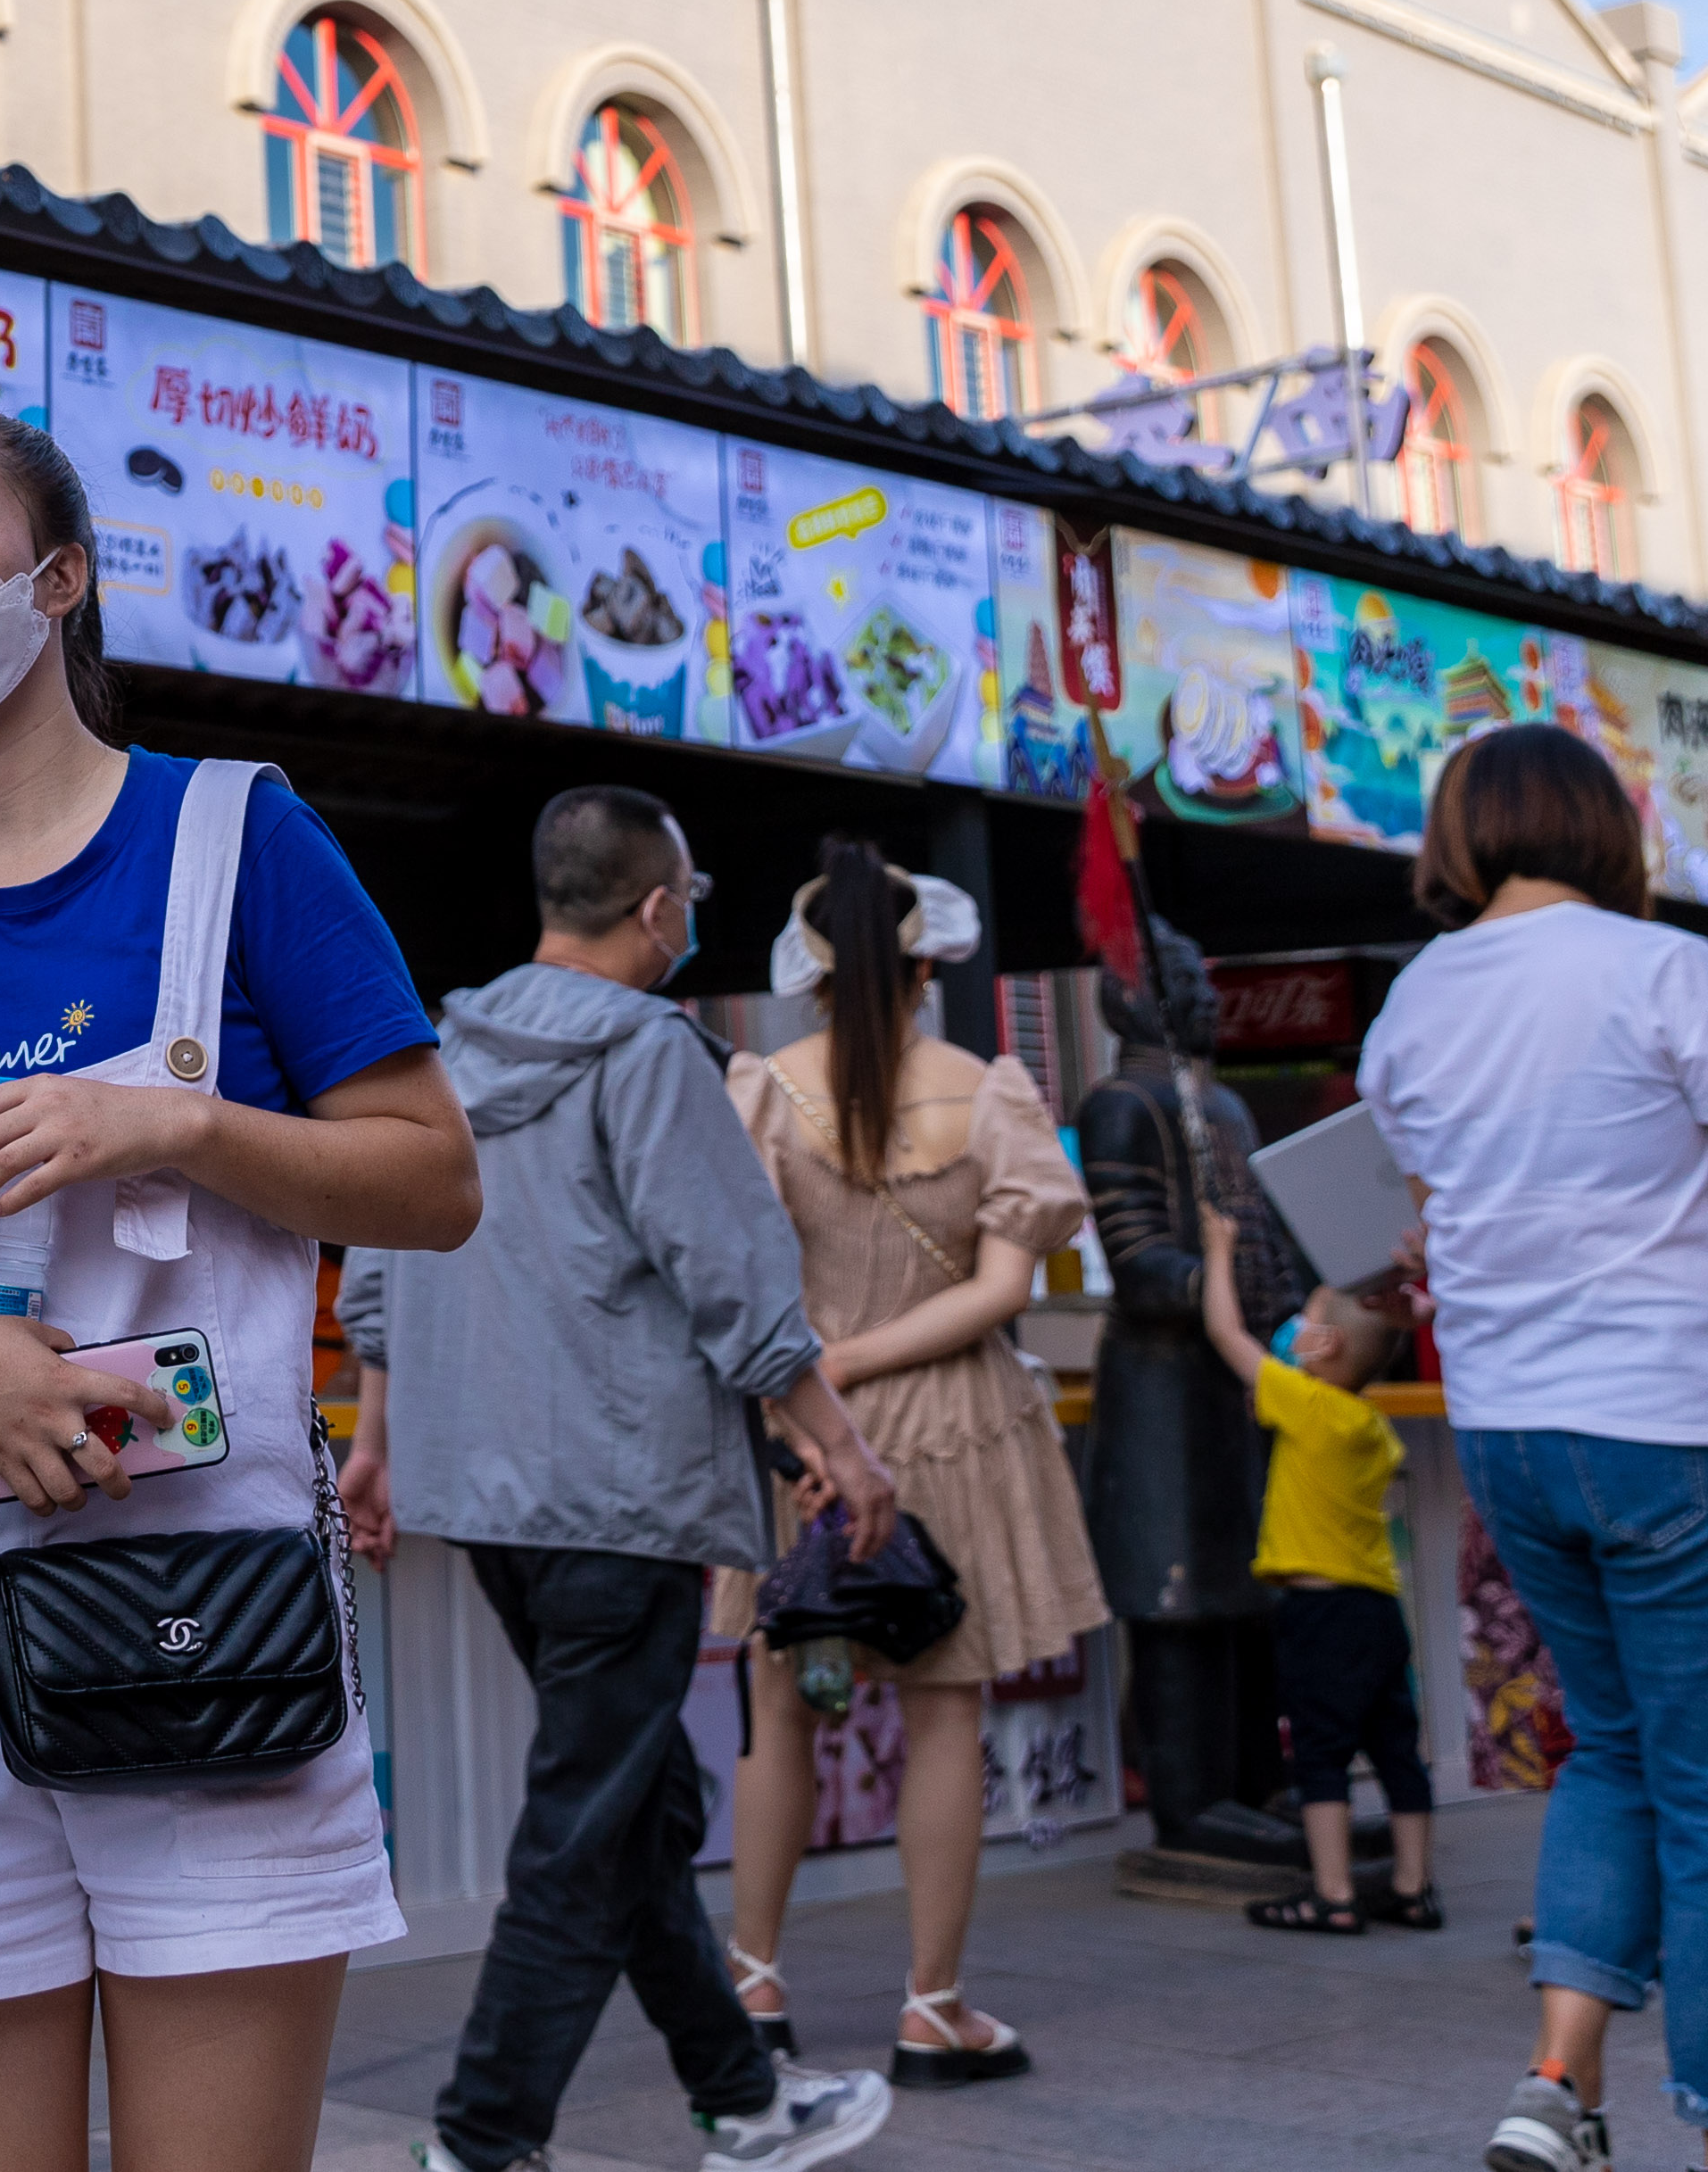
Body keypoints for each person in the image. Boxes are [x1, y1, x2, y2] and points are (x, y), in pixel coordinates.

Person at [0, 404, 485, 2172]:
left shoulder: (235, 836)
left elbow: (431, 1179)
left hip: (212, 1626)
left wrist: (173, 1123)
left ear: (59, 576)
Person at [337, 785, 900, 2172]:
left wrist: (374, 1442)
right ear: (654, 908)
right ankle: (479, 2139)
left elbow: (376, 1273)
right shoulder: (651, 1053)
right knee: (584, 1830)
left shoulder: (437, 1053)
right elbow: (734, 1281)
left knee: (634, 1807)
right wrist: (837, 1444)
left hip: (482, 1495)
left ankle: (742, 2099)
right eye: (686, 903)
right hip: (624, 1497)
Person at [1368, 729, 1708, 2172]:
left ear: (1457, 833)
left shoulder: (1413, 996)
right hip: (1672, 1424)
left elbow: (1424, 1212)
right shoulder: (1660, 968)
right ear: (1599, 824)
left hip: (1508, 1431)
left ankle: (1553, 2081)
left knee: (1611, 1747)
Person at [722, 841, 1106, 2091]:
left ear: (810, 971)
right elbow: (1001, 1289)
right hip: (957, 1427)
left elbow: (738, 1286)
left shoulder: (759, 1091)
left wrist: (820, 1386)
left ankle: (752, 1985)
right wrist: (866, 1361)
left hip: (796, 1429)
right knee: (945, 1710)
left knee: (780, 1708)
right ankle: (930, 2009)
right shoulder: (988, 1093)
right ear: (926, 964)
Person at [1069, 916, 1310, 1875]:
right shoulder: (1121, 1103)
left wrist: (1281, 1301)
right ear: (1137, 996)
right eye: (1185, 979)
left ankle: (1257, 1784)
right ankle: (1189, 1803)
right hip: (1163, 1394)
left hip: (1231, 1385)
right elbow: (1138, 1264)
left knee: (1246, 1595)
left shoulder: (1228, 1107)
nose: (1208, 995)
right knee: (1178, 1600)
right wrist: (1219, 1285)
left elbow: (1259, 1235)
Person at [1194, 1214, 1437, 1932]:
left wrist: (1217, 1251)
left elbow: (1224, 1334)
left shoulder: (1307, 1406)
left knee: (1320, 1755)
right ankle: (1412, 1887)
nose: (1291, 1331)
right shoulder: (1369, 1428)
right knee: (1397, 1752)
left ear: (1324, 1346)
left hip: (1319, 1615)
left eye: (1302, 1322)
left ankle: (1332, 1896)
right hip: (1378, 1613)